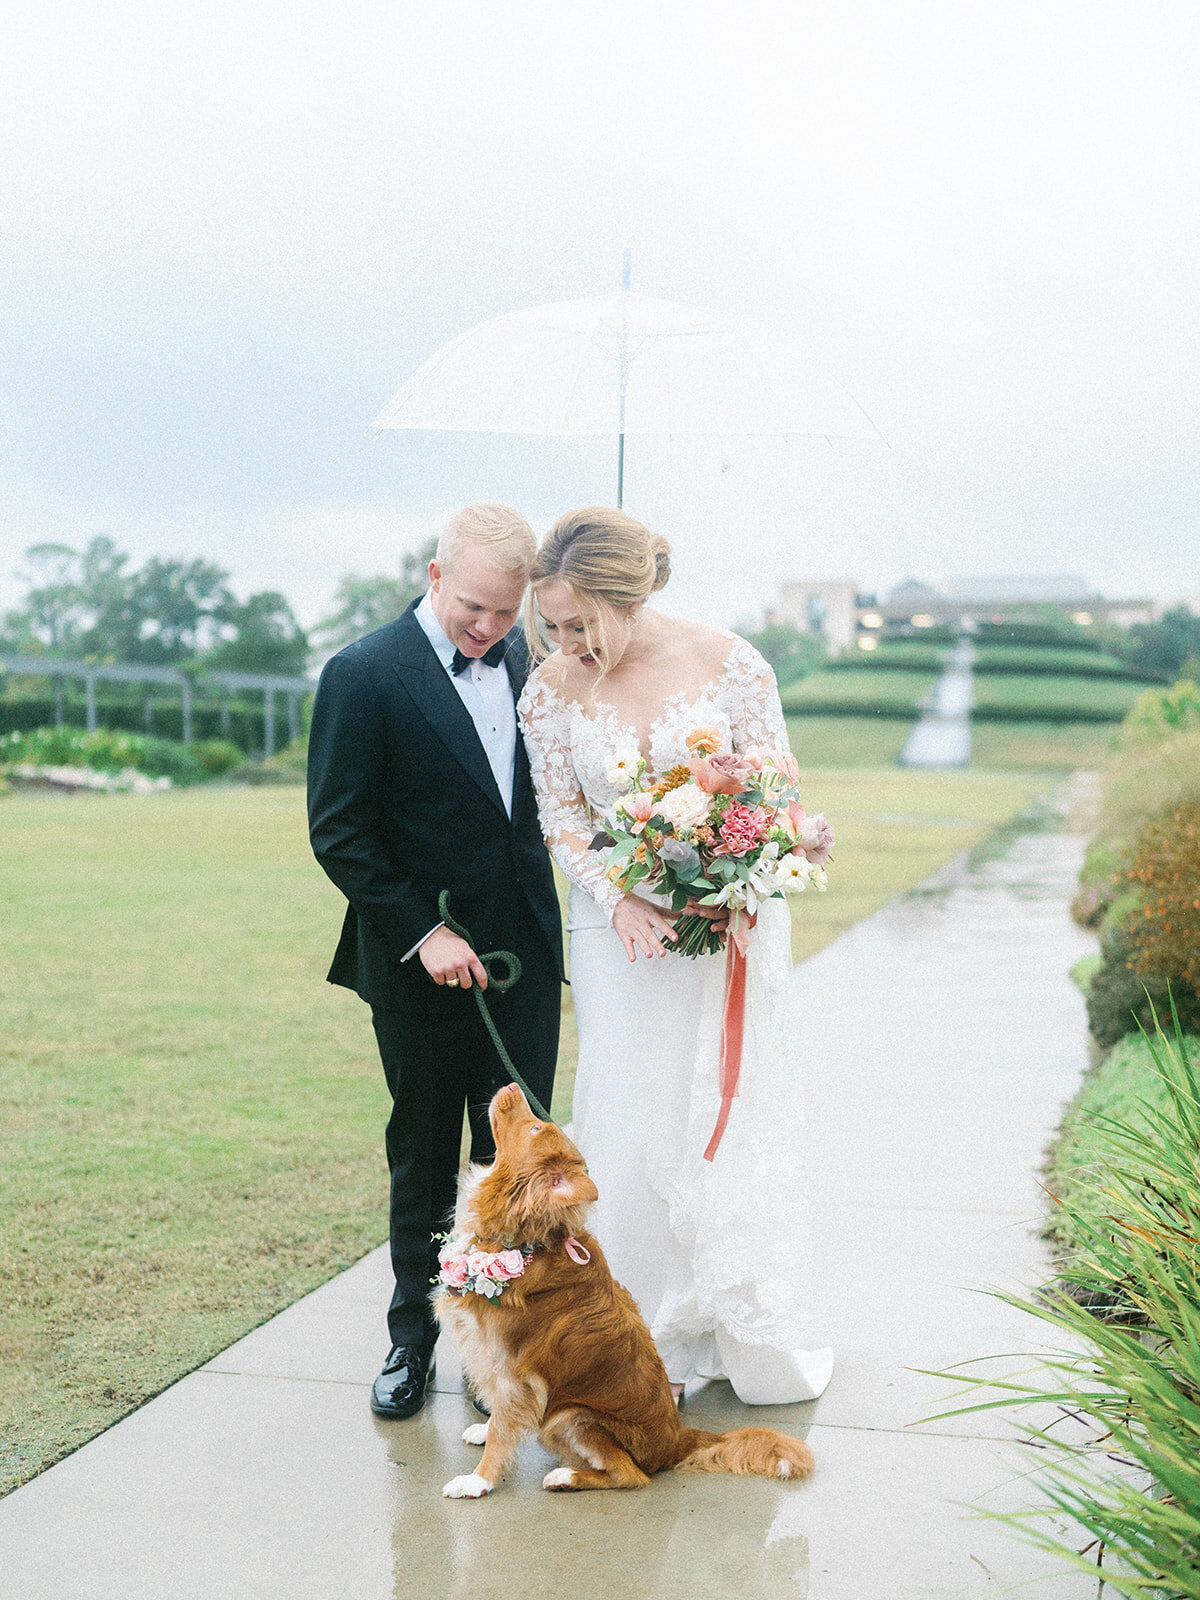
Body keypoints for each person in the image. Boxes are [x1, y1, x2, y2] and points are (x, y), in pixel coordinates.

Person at [517, 507, 832, 1406]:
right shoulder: (549, 690)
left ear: (630, 597)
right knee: (627, 1104)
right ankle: (627, 1327)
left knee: (715, 1107)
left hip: (726, 923)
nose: (567, 642)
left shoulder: (732, 664)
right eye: (553, 625)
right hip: (617, 927)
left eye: (583, 624)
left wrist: (745, 869)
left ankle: (726, 1313)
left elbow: (774, 789)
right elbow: (564, 818)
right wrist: (617, 897)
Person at [308, 503, 563, 1419]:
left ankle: (493, 1350)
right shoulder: (363, 675)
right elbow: (338, 831)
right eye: (475, 609)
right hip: (418, 969)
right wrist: (425, 933)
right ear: (434, 574)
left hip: (523, 964)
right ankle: (410, 1342)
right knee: (422, 1157)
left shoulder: (536, 667)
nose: (491, 629)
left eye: (507, 614)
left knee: (513, 1167)